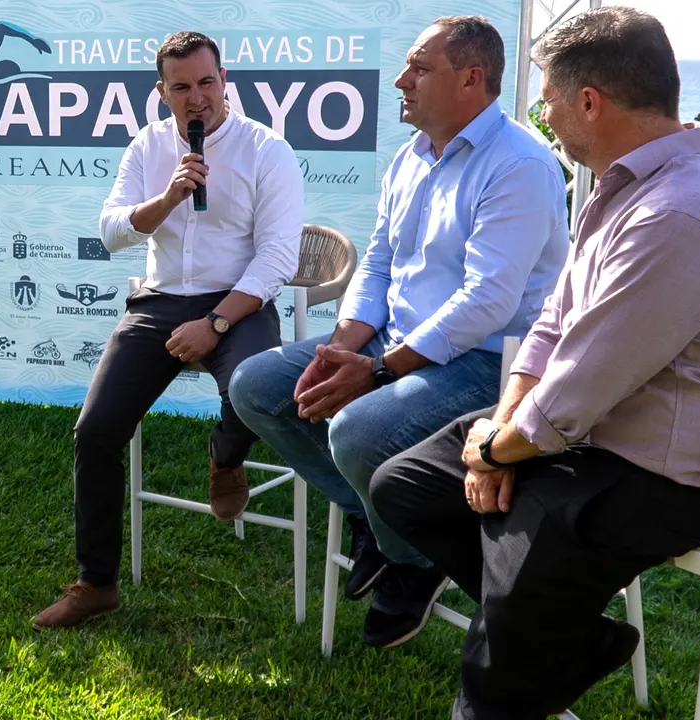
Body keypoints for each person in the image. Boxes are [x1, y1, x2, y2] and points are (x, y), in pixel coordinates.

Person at [369, 8, 700, 717]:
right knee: (404, 485)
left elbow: (577, 391)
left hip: (658, 477)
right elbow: (552, 329)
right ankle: (565, 633)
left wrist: (497, 451)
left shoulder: (678, 213)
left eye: (550, 102)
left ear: (590, 101)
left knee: (498, 660)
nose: (546, 118)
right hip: (584, 442)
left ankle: (524, 637)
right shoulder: (626, 186)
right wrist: (500, 429)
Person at [229, 15, 568, 648]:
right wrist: (344, 347)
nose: (401, 79)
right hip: (400, 345)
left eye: (419, 67)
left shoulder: (521, 164)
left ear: (471, 79)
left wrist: (381, 371)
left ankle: (414, 559)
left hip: (491, 363)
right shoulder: (412, 156)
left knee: (358, 430)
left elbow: (487, 301)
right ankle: (386, 523)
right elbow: (381, 261)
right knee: (256, 385)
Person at [33, 31, 303, 630]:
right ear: (162, 93)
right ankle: (96, 584)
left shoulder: (266, 149)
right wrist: (166, 199)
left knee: (253, 386)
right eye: (181, 87)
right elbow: (112, 231)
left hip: (239, 299)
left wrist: (216, 321)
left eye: (207, 83)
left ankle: (226, 456)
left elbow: (279, 257)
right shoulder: (148, 145)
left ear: (224, 82)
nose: (196, 98)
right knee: (96, 430)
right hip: (157, 302)